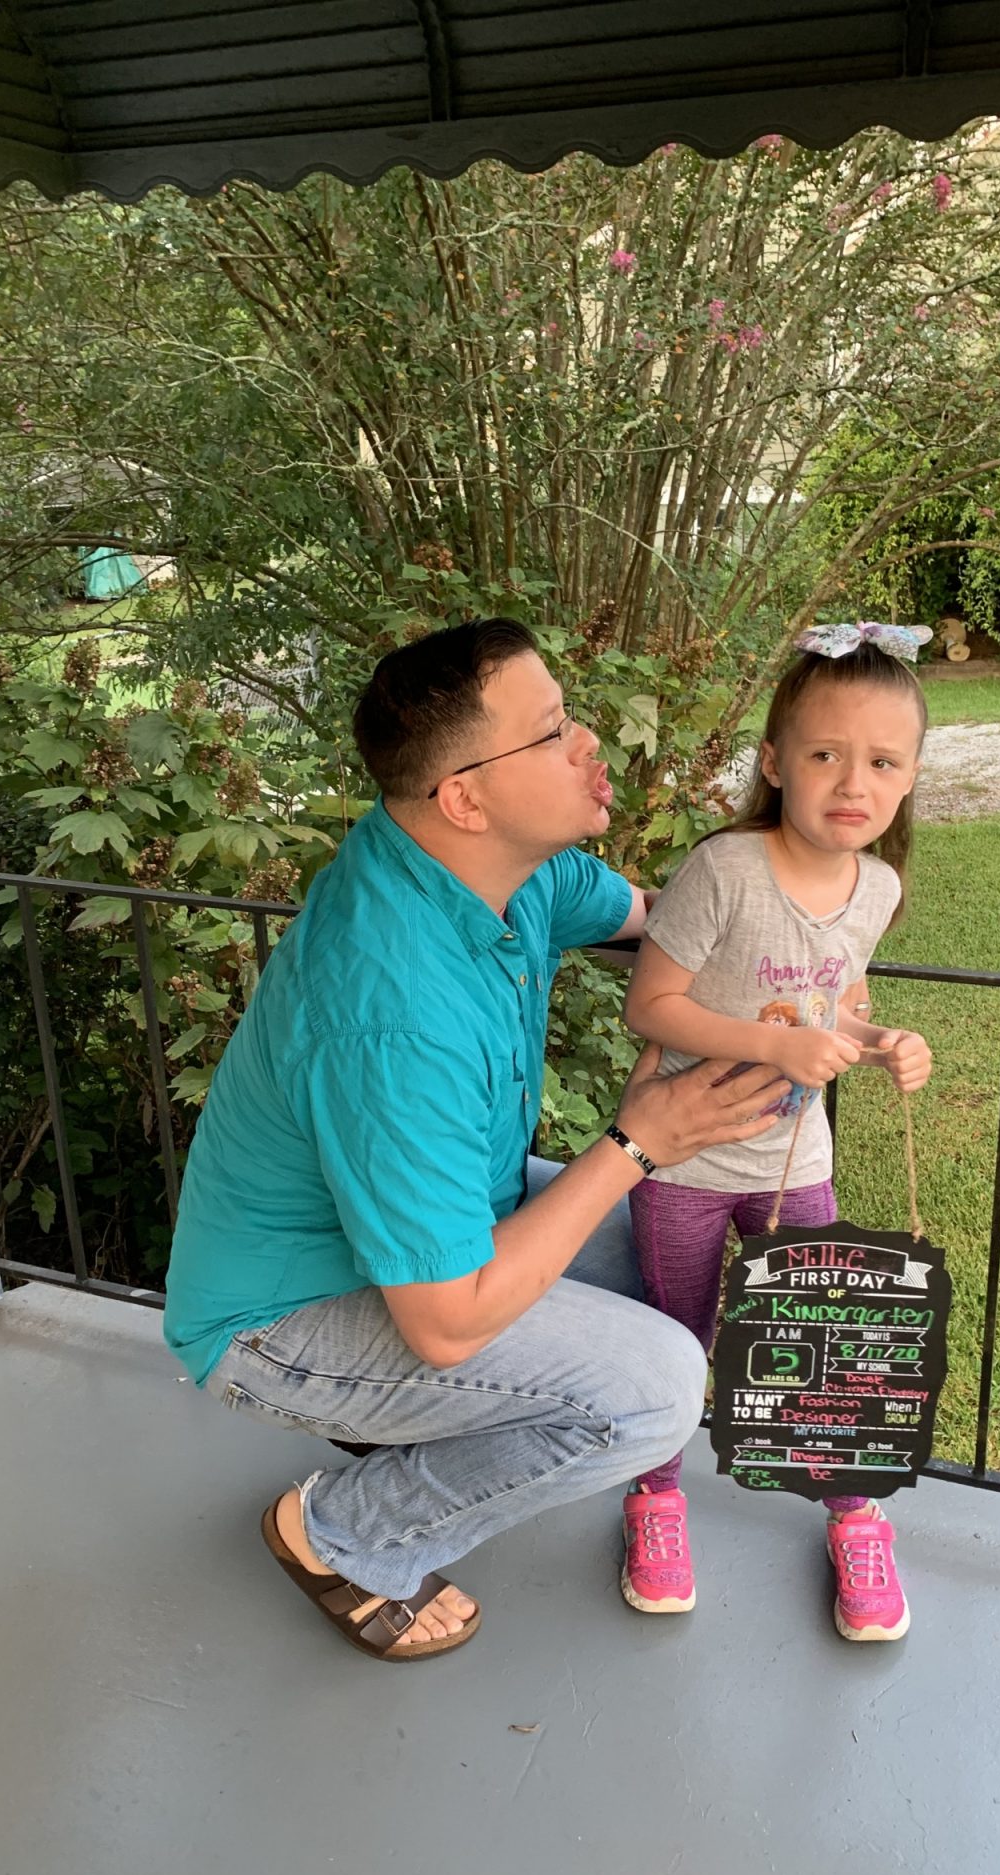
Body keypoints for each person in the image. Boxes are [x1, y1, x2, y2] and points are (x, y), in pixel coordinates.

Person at [162, 617, 789, 1662]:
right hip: (281, 1317)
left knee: (660, 1252)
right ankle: (340, 1535)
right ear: (465, 797)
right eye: (552, 731)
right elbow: (447, 1323)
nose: (589, 741)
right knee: (657, 1391)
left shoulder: (508, 869)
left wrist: (799, 947)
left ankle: (403, 1426)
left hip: (432, 1229)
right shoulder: (392, 1009)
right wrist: (636, 1141)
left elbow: (660, 920)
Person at [619, 622, 934, 1640]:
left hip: (796, 1160)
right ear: (774, 761)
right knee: (679, 1337)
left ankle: (856, 1515)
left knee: (820, 1333)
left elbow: (843, 1002)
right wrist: (776, 1043)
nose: (854, 781)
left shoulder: (877, 886)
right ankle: (653, 1496)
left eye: (883, 762)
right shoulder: (727, 869)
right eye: (826, 752)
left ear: (909, 777)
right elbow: (650, 1005)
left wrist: (883, 1041)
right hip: (684, 1159)